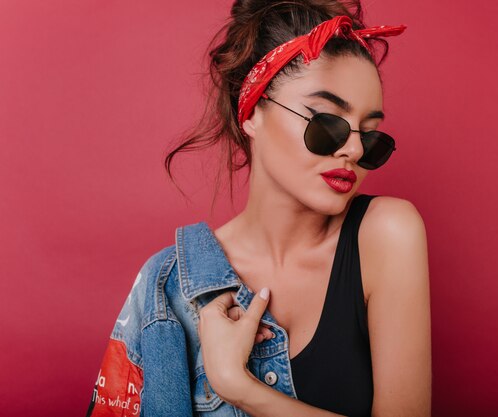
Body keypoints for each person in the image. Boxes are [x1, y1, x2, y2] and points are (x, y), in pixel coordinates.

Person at [86, 1, 431, 416]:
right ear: (250, 112)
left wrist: (239, 387)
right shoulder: (166, 288)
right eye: (327, 122)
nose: (354, 149)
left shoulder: (387, 235)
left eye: (371, 136)